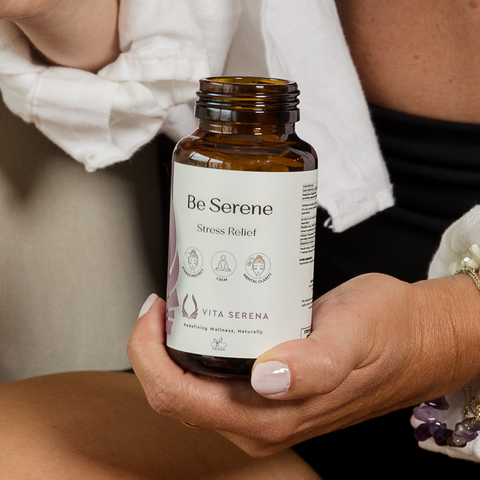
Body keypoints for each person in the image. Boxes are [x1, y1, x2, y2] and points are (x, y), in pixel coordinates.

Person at [1, 0, 480, 478]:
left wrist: (448, 333)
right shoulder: (201, 152)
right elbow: (146, 38)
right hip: (238, 388)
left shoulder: (291, 158)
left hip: (448, 405)